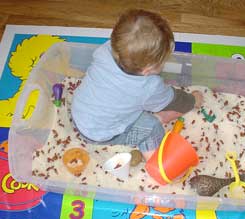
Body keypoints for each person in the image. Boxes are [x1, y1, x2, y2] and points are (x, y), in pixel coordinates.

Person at [71, 9, 203, 160]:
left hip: (79, 114)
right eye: (163, 62)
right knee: (152, 128)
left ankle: (157, 117)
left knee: (133, 105)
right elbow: (173, 100)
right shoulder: (149, 86)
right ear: (147, 70)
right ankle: (153, 161)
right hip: (102, 135)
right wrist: (193, 100)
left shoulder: (105, 50)